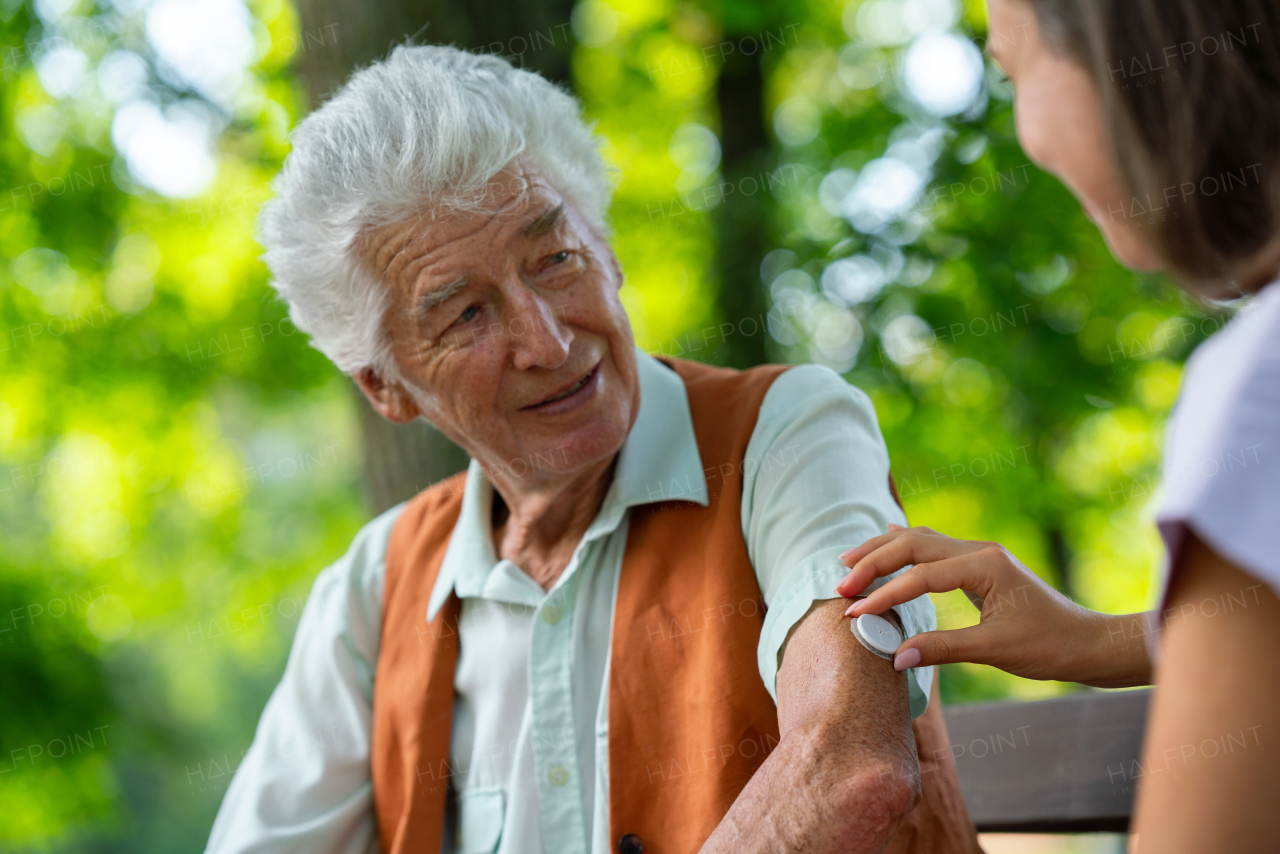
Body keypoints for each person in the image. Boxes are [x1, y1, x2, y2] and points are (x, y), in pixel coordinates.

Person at [205, 45, 984, 854]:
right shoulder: (379, 587)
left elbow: (851, 765)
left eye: (555, 259)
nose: (545, 340)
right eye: (465, 315)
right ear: (386, 387)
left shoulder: (785, 436)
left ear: (607, 251)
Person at [836, 0, 1280, 850]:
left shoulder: (1258, 386)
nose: (1026, 134)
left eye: (1014, 71)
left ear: (1135, 60)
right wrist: (1101, 641)